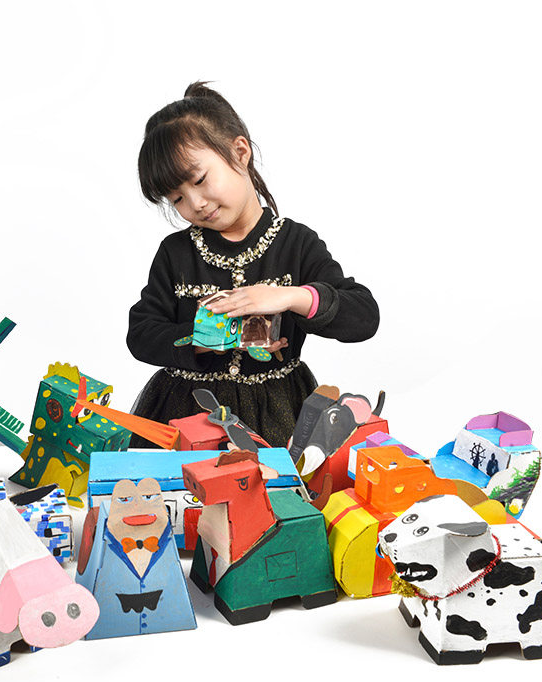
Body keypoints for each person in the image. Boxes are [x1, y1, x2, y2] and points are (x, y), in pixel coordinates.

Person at [126, 81, 380, 448]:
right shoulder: (175, 252)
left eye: (200, 179)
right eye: (177, 198)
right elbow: (141, 333)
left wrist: (291, 297)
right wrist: (204, 341)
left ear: (240, 152)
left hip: (277, 415)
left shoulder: (295, 243)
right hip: (187, 414)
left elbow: (364, 316)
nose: (195, 204)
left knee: (274, 483)